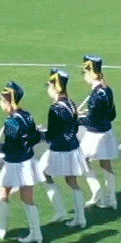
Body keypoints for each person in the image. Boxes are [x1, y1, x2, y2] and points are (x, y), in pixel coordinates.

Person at [0, 81, 45, 243]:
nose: (0, 104)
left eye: (2, 101)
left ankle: (9, 228)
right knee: (19, 196)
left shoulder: (10, 122)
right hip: (28, 160)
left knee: (8, 194)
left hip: (16, 164)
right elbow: (36, 138)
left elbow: (10, 148)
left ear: (9, 101)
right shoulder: (28, 115)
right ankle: (29, 232)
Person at [39, 68, 88, 228]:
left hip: (60, 148)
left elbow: (52, 134)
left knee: (45, 173)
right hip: (72, 147)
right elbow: (73, 127)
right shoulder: (71, 103)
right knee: (71, 180)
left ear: (55, 87)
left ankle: (63, 212)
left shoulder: (55, 108)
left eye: (49, 86)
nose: (48, 89)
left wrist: (38, 134)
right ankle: (78, 217)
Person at [78, 55, 121, 210]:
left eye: (84, 73)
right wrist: (87, 114)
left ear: (91, 73)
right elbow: (112, 115)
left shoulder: (96, 94)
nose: (84, 77)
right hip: (107, 131)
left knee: (82, 160)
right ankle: (112, 198)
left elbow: (92, 121)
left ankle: (97, 194)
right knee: (106, 164)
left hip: (95, 135)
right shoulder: (106, 90)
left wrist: (77, 118)